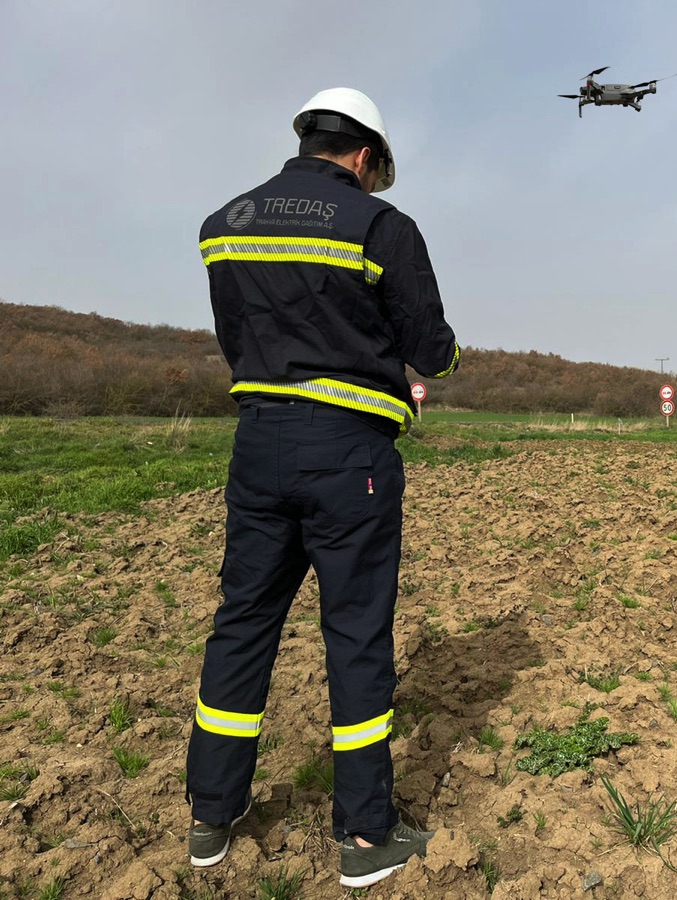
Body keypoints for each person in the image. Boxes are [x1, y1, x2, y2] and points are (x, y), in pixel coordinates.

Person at [186, 87, 459, 889]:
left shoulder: (224, 225)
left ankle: (210, 815)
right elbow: (432, 351)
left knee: (242, 624)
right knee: (356, 635)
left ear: (307, 140)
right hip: (351, 460)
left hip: (257, 445)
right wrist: (404, 372)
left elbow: (241, 338)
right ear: (367, 157)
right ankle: (367, 838)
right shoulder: (382, 227)